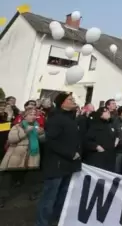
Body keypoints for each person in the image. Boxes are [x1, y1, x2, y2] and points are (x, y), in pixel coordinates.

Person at [35, 92, 81, 226]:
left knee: (62, 196)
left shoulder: (71, 118)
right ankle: (41, 223)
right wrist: (70, 154)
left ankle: (56, 221)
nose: (73, 101)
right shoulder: (56, 118)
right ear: (63, 103)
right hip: (56, 165)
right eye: (70, 99)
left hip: (68, 165)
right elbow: (51, 142)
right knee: (49, 198)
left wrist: (77, 152)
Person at [0, 108, 45, 207]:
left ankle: (33, 194)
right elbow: (11, 139)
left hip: (32, 156)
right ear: (25, 116)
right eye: (30, 115)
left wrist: (42, 134)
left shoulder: (37, 126)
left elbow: (42, 141)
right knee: (7, 178)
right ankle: (1, 198)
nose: (33, 117)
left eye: (34, 115)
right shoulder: (17, 126)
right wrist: (25, 132)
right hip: (16, 156)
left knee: (32, 177)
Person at [83, 107, 117, 172]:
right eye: (105, 111)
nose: (108, 112)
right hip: (98, 156)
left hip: (110, 156)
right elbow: (87, 140)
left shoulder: (111, 124)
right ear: (100, 114)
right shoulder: (95, 125)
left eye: (108, 111)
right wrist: (96, 146)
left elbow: (115, 135)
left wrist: (117, 139)